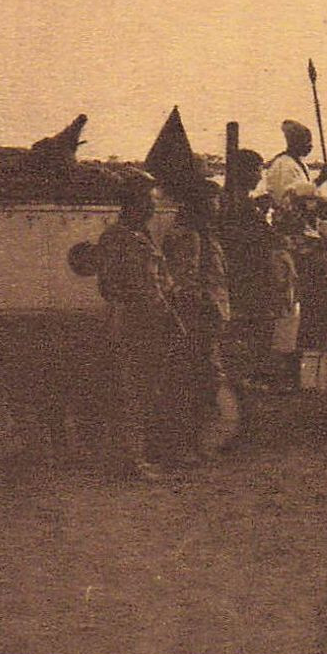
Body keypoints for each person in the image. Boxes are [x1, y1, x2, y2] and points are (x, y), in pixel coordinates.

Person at [95, 176, 179, 481]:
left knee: (143, 391)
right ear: (134, 203)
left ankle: (133, 457)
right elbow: (121, 286)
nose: (154, 207)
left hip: (148, 323)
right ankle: (129, 461)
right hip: (133, 324)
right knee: (130, 392)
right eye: (150, 201)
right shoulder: (118, 239)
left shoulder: (139, 237)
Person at [163, 181, 233, 463]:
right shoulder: (189, 237)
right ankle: (185, 446)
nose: (217, 207)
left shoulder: (204, 235)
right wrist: (200, 316)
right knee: (195, 381)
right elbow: (185, 283)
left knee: (205, 382)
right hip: (196, 321)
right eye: (213, 202)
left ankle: (196, 444)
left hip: (208, 320)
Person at [257, 119, 327, 223]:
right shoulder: (283, 164)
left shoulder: (300, 163)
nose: (310, 147)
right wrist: (320, 180)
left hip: (301, 216)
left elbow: (304, 189)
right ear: (296, 143)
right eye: (307, 142)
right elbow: (290, 193)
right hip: (288, 220)